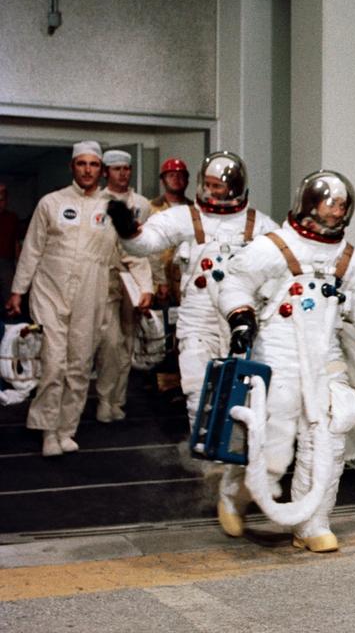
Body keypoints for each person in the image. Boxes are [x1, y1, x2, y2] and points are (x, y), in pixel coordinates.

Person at [213, 170, 355, 550]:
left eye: (342, 205)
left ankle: (313, 521)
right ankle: (235, 495)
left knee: (329, 438)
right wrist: (241, 317)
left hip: (325, 356)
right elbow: (234, 283)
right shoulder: (273, 246)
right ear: (309, 204)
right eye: (329, 203)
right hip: (278, 353)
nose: (336, 211)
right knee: (271, 442)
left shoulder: (349, 259)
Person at [109, 151, 277, 429]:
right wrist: (128, 231)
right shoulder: (186, 216)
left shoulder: (258, 224)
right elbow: (148, 241)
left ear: (233, 188)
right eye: (207, 184)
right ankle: (206, 458)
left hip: (242, 318)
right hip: (199, 315)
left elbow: (279, 267)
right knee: (198, 390)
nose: (210, 190)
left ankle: (239, 457)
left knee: (244, 393)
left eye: (217, 185)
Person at [5, 141, 120, 456]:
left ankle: (66, 429)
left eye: (93, 164)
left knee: (79, 365)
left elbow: (129, 252)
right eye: (81, 164)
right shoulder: (51, 203)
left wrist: (145, 285)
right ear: (72, 167)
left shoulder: (114, 206)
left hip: (92, 292)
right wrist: (19, 290)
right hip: (50, 291)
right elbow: (32, 249)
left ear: (101, 169)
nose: (87, 170)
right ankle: (47, 430)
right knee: (54, 364)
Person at [93, 149, 154, 422]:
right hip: (105, 277)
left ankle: (118, 399)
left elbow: (150, 248)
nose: (122, 174)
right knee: (110, 341)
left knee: (128, 341)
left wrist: (150, 286)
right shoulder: (97, 202)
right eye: (116, 169)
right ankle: (104, 399)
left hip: (134, 276)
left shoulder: (141, 204)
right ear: (107, 172)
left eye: (126, 169)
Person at [147, 157, 193, 393]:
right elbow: (147, 249)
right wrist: (157, 282)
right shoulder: (151, 208)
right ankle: (158, 383)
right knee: (159, 333)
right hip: (160, 280)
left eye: (181, 174)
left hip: (186, 280)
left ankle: (180, 383)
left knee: (184, 333)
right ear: (163, 180)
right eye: (171, 175)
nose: (176, 179)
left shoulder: (195, 210)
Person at [0, 180, 21, 302]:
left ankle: (9, 319)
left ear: (6, 201)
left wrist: (19, 264)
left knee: (8, 293)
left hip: (7, 263)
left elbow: (16, 242)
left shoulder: (12, 218)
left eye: (2, 200)